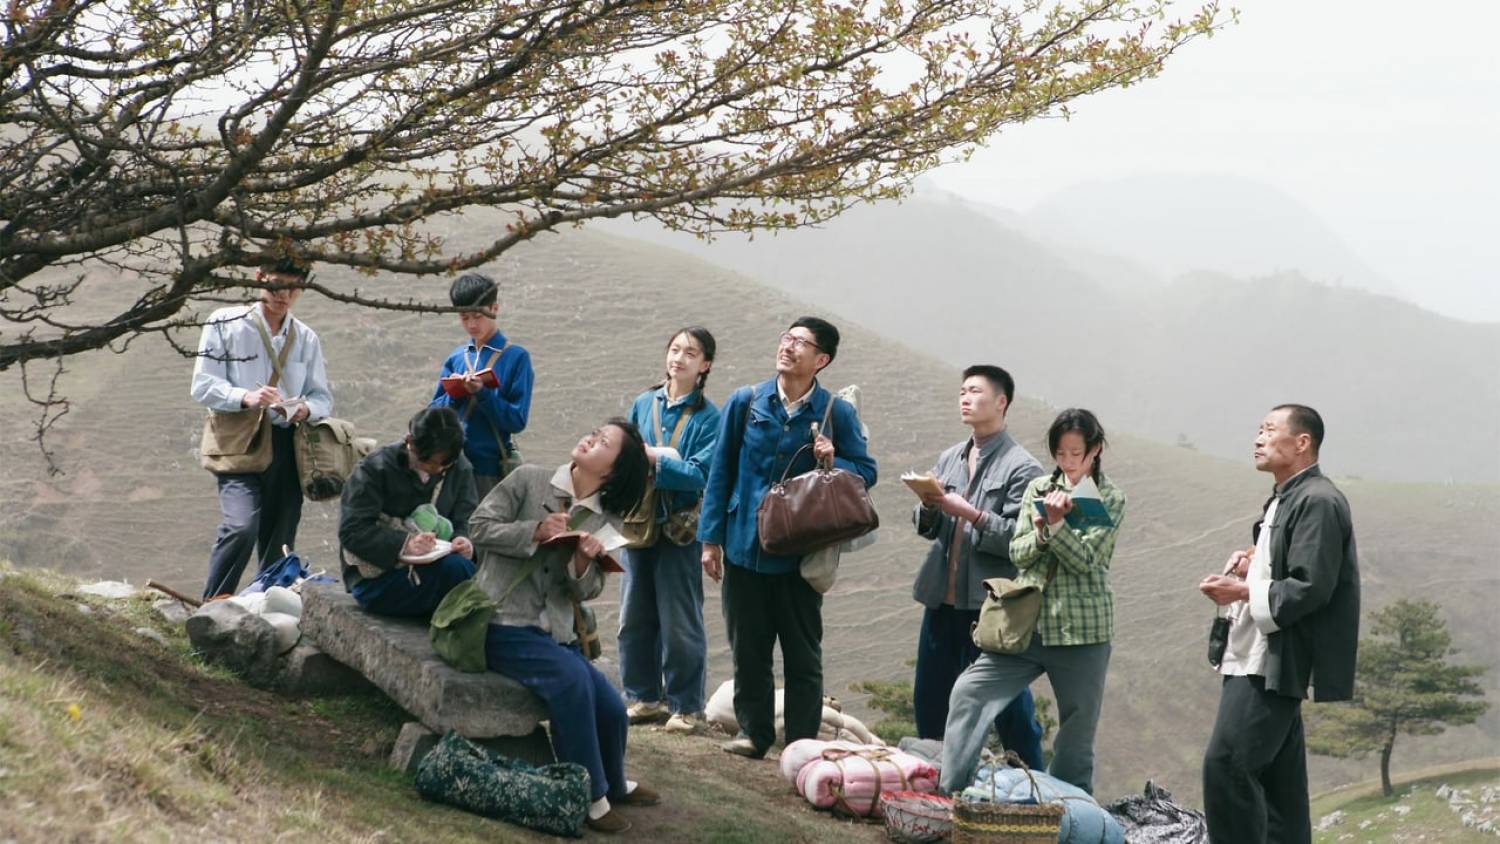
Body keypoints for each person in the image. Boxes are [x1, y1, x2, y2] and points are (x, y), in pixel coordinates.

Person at [698, 316, 878, 759]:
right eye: (787, 338)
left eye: (801, 342)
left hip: (801, 554)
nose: (788, 346)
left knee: (802, 654)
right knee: (748, 648)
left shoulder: (836, 412)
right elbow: (721, 472)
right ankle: (754, 733)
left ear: (822, 360)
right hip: (744, 545)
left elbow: (866, 472)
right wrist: (710, 540)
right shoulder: (746, 401)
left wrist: (835, 460)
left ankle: (800, 744)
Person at [469, 418, 657, 835]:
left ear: (612, 471)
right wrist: (534, 531)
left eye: (603, 442)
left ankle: (614, 782)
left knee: (612, 707)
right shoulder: (529, 480)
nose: (590, 439)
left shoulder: (606, 520)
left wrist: (583, 562)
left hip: (554, 634)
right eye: (595, 433)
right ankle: (588, 795)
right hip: (502, 621)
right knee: (572, 683)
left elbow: (587, 591)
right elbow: (478, 527)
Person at [940, 408, 1125, 795]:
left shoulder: (1109, 497)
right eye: (1060, 453)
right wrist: (1042, 534)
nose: (1068, 462)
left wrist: (1056, 526)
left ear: (1095, 450)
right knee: (969, 691)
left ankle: (1070, 811)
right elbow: (1019, 553)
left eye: (1076, 454)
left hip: (1082, 632)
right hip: (1027, 624)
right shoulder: (1038, 488)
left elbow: (1086, 561)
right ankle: (952, 792)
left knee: (1077, 731)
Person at [1198, 404, 1360, 844]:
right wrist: (1253, 562)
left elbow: (1311, 586)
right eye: (1259, 430)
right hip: (1261, 653)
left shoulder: (1318, 500)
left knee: (1226, 765)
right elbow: (1288, 563)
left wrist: (1240, 592)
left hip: (1272, 659)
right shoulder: (1290, 495)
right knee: (1279, 794)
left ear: (1302, 442)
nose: (1258, 439)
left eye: (1269, 430)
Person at [911, 365, 1045, 770]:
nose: (965, 399)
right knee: (930, 696)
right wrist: (928, 507)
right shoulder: (950, 457)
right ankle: (934, 778)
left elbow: (1021, 540)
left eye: (975, 391)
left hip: (990, 606)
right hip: (942, 597)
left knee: (1007, 705)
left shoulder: (1023, 468)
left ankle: (1033, 781)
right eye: (962, 392)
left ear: (1001, 402)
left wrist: (970, 514)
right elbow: (928, 527)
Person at [191, 257, 333, 600]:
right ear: (259, 277)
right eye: (277, 284)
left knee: (280, 537)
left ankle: (267, 608)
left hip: (287, 442)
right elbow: (202, 385)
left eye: (293, 288)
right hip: (238, 440)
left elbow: (322, 397)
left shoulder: (306, 338)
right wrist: (246, 397)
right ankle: (213, 605)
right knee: (240, 526)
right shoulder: (225, 323)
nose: (284, 295)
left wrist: (304, 408)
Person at [618, 327, 722, 733]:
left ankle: (686, 706)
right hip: (638, 522)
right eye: (675, 349)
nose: (679, 358)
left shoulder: (710, 417)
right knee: (633, 616)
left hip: (681, 528)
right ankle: (643, 698)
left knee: (679, 621)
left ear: (705, 365)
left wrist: (654, 461)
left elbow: (702, 474)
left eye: (690, 353)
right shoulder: (643, 403)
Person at [337, 407, 479, 616]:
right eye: (428, 462)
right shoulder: (374, 469)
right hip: (380, 579)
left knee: (465, 572)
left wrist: (463, 539)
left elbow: (467, 517)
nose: (437, 469)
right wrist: (405, 544)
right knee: (459, 576)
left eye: (444, 464)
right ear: (409, 442)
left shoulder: (459, 467)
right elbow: (352, 530)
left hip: (438, 566)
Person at [429, 273, 534, 500]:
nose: (472, 325)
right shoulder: (456, 358)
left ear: (494, 309)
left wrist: (483, 394)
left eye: (477, 316)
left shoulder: (516, 358)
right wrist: (454, 395)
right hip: (447, 468)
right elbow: (432, 414)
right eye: (464, 317)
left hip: (488, 473)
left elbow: (517, 420)